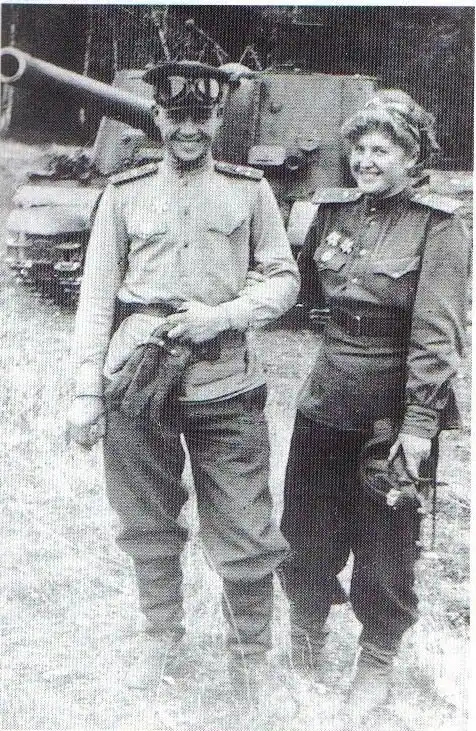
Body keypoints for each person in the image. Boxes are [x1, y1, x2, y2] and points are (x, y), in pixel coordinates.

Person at [67, 60, 299, 696]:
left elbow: (283, 279)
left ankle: (249, 657)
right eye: (175, 117)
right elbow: (95, 298)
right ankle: (161, 639)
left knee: (246, 526)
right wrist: (86, 391)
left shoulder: (250, 191)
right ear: (157, 118)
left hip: (226, 381)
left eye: (201, 117)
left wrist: (220, 316)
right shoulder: (125, 193)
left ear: (218, 119)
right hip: (138, 379)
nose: (188, 130)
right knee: (145, 518)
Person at [278, 89, 470, 724]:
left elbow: (437, 336)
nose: (365, 161)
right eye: (358, 148)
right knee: (305, 528)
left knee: (386, 539)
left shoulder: (439, 226)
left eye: (381, 150)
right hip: (325, 397)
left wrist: (420, 426)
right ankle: (306, 634)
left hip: (390, 413)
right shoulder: (334, 211)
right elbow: (306, 298)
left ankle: (378, 659)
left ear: (412, 157)